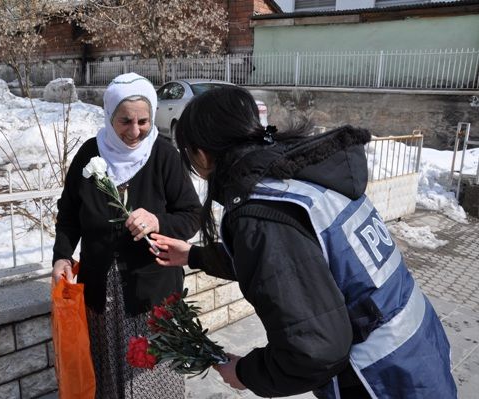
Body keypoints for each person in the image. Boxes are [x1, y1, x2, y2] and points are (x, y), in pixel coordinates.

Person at [150, 85, 457, 398]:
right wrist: (195, 256)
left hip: (380, 378)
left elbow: (314, 349)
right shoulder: (297, 176)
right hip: (418, 350)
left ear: (201, 153)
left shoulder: (261, 211)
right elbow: (292, 261)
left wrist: (247, 373)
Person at [52, 72, 201, 399]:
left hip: (152, 293)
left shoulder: (164, 155)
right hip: (102, 296)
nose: (135, 131)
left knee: (152, 377)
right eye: (125, 121)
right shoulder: (90, 155)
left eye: (143, 121)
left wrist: (157, 220)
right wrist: (63, 255)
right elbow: (69, 215)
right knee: (108, 376)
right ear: (108, 116)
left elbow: (191, 216)